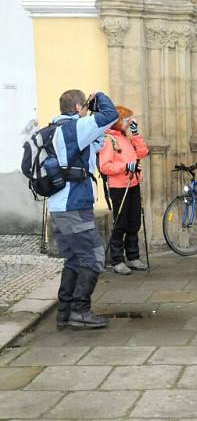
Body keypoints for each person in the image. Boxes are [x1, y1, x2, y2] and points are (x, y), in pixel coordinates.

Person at [50, 90, 119, 330]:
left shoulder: (56, 129)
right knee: (92, 258)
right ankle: (80, 311)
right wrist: (99, 96)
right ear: (79, 106)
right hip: (74, 206)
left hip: (59, 207)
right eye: (84, 107)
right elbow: (112, 115)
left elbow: (97, 143)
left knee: (74, 260)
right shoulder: (75, 128)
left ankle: (64, 313)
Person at [98, 106, 150, 275]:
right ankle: (117, 260)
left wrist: (136, 134)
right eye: (128, 120)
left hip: (133, 183)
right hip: (119, 187)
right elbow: (105, 167)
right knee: (120, 223)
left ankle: (133, 257)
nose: (130, 122)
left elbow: (143, 152)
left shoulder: (126, 137)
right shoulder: (109, 140)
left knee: (134, 221)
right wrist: (125, 166)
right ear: (119, 121)